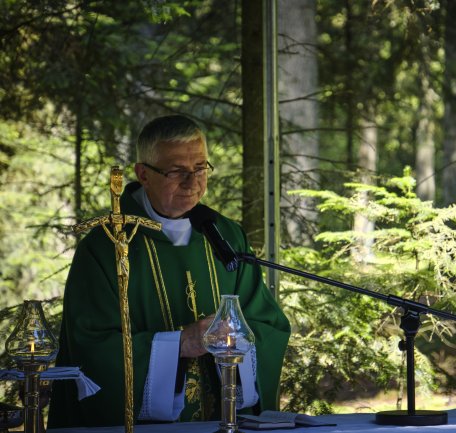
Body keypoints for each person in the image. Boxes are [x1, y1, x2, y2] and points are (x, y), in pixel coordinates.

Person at [49, 115, 291, 427]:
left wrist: (236, 339)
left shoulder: (226, 236)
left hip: (222, 420)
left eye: (200, 168)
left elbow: (267, 325)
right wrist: (180, 344)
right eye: (177, 171)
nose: (193, 182)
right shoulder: (107, 247)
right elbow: (92, 348)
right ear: (143, 174)